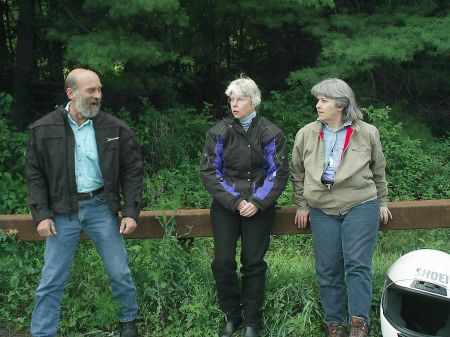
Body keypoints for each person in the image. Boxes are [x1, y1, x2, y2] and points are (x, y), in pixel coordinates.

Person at [25, 68, 143, 337]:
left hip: (101, 207)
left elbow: (133, 170)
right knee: (51, 279)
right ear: (71, 93)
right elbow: (34, 174)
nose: (97, 96)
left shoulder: (115, 128)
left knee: (119, 270)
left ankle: (128, 320)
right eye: (91, 90)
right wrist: (41, 214)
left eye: (99, 90)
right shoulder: (44, 129)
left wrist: (131, 211)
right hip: (61, 212)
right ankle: (43, 333)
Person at [290, 78, 392, 337]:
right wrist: (301, 205)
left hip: (360, 204)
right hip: (321, 209)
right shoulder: (306, 133)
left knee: (358, 264)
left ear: (341, 104)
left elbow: (378, 170)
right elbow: (297, 172)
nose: (318, 105)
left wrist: (382, 201)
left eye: (324, 100)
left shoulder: (367, 132)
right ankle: (335, 324)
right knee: (328, 268)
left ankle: (359, 323)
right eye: (318, 99)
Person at [200, 76, 289, 337]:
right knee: (222, 261)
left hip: (259, 206)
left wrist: (258, 202)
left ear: (254, 101)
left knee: (252, 262)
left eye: (240, 99)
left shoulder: (271, 132)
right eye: (231, 99)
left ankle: (252, 321)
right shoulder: (219, 132)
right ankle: (232, 316)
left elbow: (278, 173)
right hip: (227, 205)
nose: (234, 104)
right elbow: (209, 171)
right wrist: (236, 201)